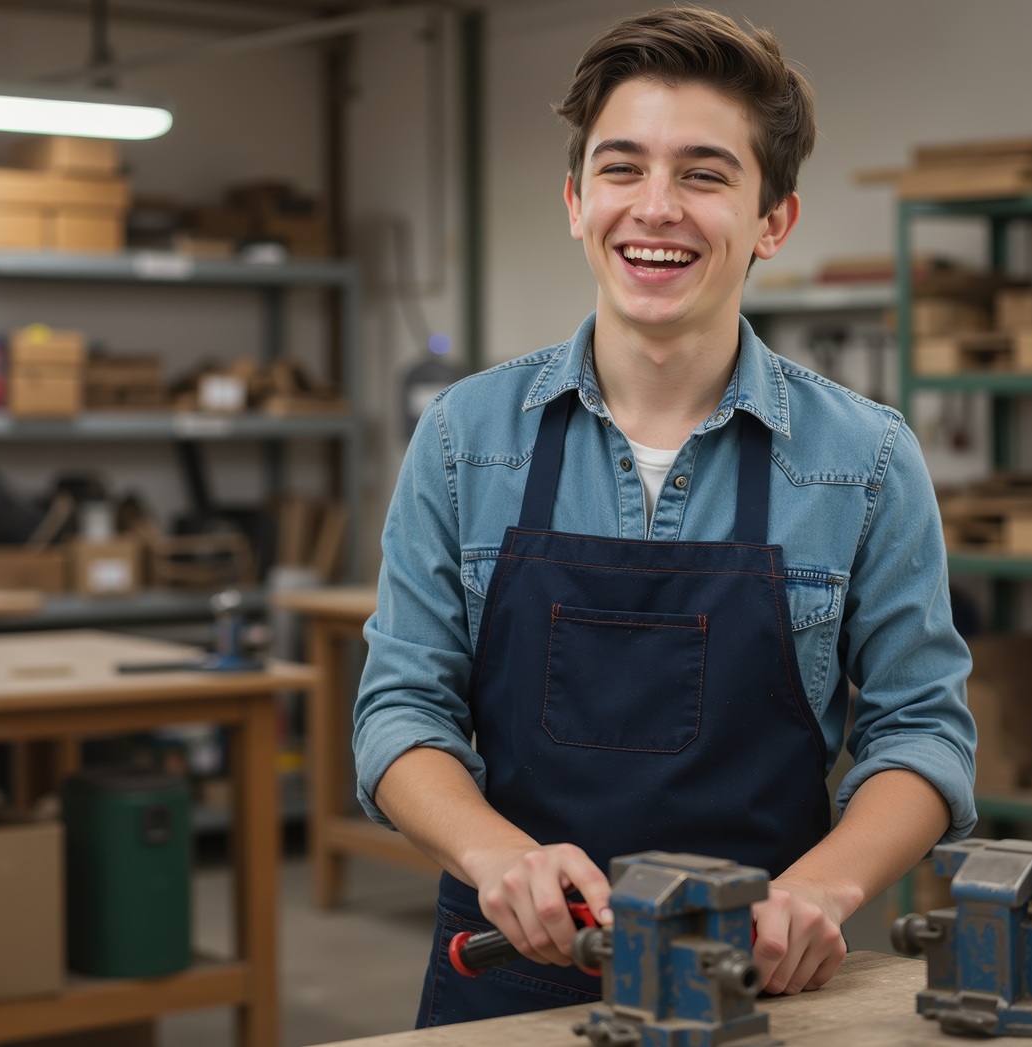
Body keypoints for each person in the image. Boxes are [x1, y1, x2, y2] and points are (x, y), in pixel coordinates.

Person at [352, 6, 976, 1028]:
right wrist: (497, 856)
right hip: (509, 973)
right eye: (621, 168)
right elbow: (399, 715)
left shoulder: (864, 458)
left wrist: (821, 891)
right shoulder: (466, 436)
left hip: (760, 982)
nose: (655, 209)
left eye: (704, 173)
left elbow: (923, 732)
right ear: (574, 199)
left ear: (774, 220)